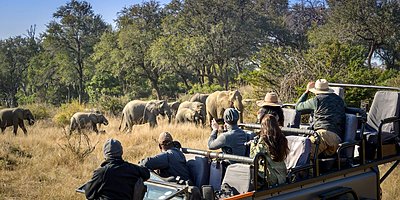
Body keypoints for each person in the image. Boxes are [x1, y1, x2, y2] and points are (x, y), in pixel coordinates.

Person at [84, 138, 150, 200]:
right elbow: (146, 174)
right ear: (121, 152)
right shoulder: (132, 169)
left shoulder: (102, 172)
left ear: (105, 155)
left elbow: (88, 193)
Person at [295, 79, 346, 158]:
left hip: (322, 136)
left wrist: (306, 92)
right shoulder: (339, 100)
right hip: (337, 139)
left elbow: (298, 107)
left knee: (304, 154)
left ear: (315, 91)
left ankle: (306, 171)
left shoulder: (317, 100)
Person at [250, 114, 289, 186]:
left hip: (272, 177)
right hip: (282, 175)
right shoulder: (282, 138)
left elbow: (253, 156)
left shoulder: (264, 141)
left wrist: (253, 144)